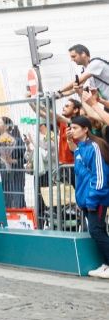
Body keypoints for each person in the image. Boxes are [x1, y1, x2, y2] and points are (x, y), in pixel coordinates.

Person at [67, 116, 109, 278]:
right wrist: (81, 200)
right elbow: (80, 175)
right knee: (98, 231)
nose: (72, 130)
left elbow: (100, 177)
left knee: (96, 231)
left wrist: (92, 200)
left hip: (96, 199)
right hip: (86, 200)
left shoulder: (94, 147)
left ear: (85, 129)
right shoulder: (79, 148)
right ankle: (106, 264)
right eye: (71, 127)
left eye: (75, 128)